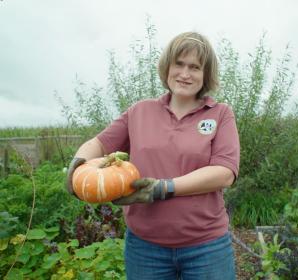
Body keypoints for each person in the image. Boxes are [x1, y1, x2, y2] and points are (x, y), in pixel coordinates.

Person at [66, 31, 240, 280]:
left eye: (195, 67)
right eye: (179, 64)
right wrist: (78, 164)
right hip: (145, 248)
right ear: (167, 67)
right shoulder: (140, 111)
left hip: (207, 246)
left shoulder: (220, 114)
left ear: (205, 75)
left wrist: (164, 188)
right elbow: (99, 144)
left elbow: (224, 173)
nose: (185, 73)